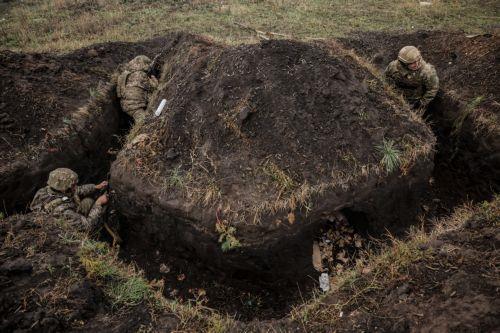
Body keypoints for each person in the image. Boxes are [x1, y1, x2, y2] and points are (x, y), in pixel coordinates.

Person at [30, 168, 108, 231]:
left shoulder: (44, 191)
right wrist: (98, 204)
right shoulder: (63, 210)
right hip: (65, 225)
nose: (75, 186)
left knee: (87, 201)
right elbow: (88, 226)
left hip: (65, 214)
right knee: (89, 203)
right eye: (73, 185)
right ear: (64, 190)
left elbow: (78, 190)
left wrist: (96, 187)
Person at [384, 46, 439, 110]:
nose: (417, 64)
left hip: (413, 101)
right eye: (412, 63)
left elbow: (433, 89)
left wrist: (421, 103)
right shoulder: (393, 67)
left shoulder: (427, 72)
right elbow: (386, 77)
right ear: (404, 63)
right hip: (394, 94)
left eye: (418, 60)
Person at [116, 55, 158, 123]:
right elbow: (154, 88)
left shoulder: (124, 74)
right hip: (135, 107)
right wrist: (154, 79)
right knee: (146, 122)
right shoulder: (141, 74)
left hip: (124, 105)